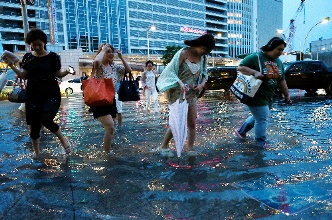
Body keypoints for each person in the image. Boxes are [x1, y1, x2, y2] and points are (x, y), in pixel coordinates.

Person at [2, 28, 75, 158]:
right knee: (34, 127)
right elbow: (24, 75)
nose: (36, 47)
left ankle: (64, 141)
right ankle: (37, 153)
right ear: (30, 44)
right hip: (33, 95)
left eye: (39, 44)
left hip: (51, 93)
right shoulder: (27, 58)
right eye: (33, 45)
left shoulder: (53, 57)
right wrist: (12, 66)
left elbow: (58, 74)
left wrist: (68, 72)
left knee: (46, 119)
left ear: (44, 42)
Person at [156, 34, 215, 157]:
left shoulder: (203, 58)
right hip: (178, 92)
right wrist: (180, 83)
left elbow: (205, 74)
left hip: (192, 93)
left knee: (192, 122)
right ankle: (164, 146)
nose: (205, 53)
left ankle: (190, 149)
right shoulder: (183, 53)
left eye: (208, 51)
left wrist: (201, 85)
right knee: (178, 121)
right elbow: (170, 72)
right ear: (198, 45)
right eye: (205, 49)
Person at [234, 37, 291, 148]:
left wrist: (287, 94)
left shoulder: (278, 62)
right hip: (255, 94)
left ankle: (241, 132)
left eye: (282, 50)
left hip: (269, 96)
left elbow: (282, 80)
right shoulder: (256, 57)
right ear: (271, 47)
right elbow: (240, 67)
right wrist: (254, 72)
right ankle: (261, 142)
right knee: (262, 119)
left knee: (258, 116)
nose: (280, 52)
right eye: (278, 49)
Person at [90, 43, 131, 155]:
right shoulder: (99, 66)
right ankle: (107, 153)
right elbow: (96, 62)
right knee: (111, 127)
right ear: (102, 53)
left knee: (111, 128)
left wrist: (121, 57)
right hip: (99, 100)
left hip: (110, 99)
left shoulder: (114, 66)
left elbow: (128, 70)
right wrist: (102, 50)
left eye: (111, 51)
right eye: (108, 51)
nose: (111, 54)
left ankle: (109, 146)